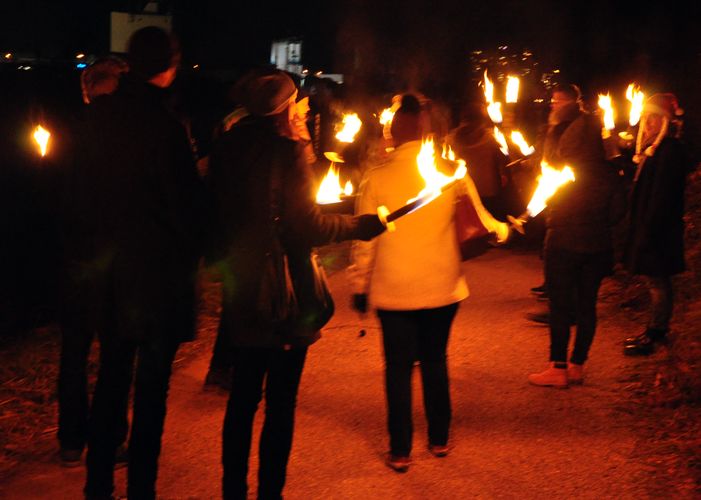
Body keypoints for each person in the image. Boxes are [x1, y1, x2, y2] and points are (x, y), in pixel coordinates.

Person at [207, 69, 385, 499]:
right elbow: (307, 226)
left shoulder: (227, 147)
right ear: (284, 110)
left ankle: (233, 491)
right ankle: (270, 493)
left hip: (243, 286)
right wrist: (361, 225)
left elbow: (217, 215)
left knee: (243, 399)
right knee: (280, 404)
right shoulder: (288, 151)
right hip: (284, 295)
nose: (307, 109)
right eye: (301, 104)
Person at [65, 26, 207, 499]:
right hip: (157, 282)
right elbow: (186, 210)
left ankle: (98, 485)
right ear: (170, 65)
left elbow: (74, 197)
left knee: (111, 379)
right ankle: (141, 488)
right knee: (150, 393)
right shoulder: (166, 129)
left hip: (109, 276)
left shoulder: (95, 120)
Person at [349, 94, 508, 472]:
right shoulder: (451, 170)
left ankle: (400, 449)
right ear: (427, 131)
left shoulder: (377, 176)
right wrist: (506, 230)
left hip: (394, 290)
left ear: (393, 132)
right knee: (435, 360)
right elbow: (486, 223)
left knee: (398, 368)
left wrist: (359, 286)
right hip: (443, 286)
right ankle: (439, 438)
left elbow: (364, 241)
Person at [528, 83, 626, 388]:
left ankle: (557, 367)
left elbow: (544, 205)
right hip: (597, 247)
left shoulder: (558, 172)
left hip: (563, 243)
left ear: (569, 142)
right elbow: (618, 213)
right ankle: (577, 365)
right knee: (587, 305)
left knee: (561, 305)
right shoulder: (608, 173)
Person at [57, 56, 129, 467]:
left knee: (74, 351)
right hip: (114, 260)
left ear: (88, 90)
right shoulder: (127, 136)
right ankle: (112, 439)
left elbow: (51, 196)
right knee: (115, 355)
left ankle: (70, 440)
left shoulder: (66, 133)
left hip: (75, 259)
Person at [622, 93, 690, 355]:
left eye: (653, 118)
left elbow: (662, 195)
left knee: (658, 281)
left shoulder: (669, 150)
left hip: (659, 230)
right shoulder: (653, 150)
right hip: (650, 227)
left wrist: (648, 232)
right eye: (645, 117)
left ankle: (656, 333)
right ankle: (653, 329)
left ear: (665, 121)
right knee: (654, 281)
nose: (647, 123)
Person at [446, 101, 509, 219]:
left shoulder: (451, 139)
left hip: (465, 195)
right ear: (481, 118)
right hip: (489, 193)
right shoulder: (491, 137)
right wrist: (503, 174)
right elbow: (504, 158)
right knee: (493, 229)